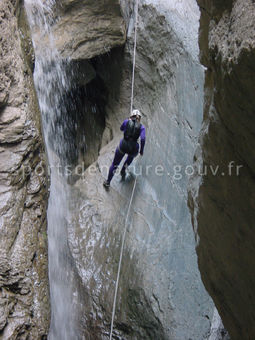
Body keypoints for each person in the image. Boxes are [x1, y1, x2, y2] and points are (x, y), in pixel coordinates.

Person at [103, 109, 146, 189]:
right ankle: (123, 170)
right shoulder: (142, 127)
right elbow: (143, 139)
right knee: (130, 158)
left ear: (131, 116)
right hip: (133, 148)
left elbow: (121, 129)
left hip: (123, 145)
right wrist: (141, 151)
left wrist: (127, 123)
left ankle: (108, 182)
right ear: (139, 118)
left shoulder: (127, 121)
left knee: (115, 164)